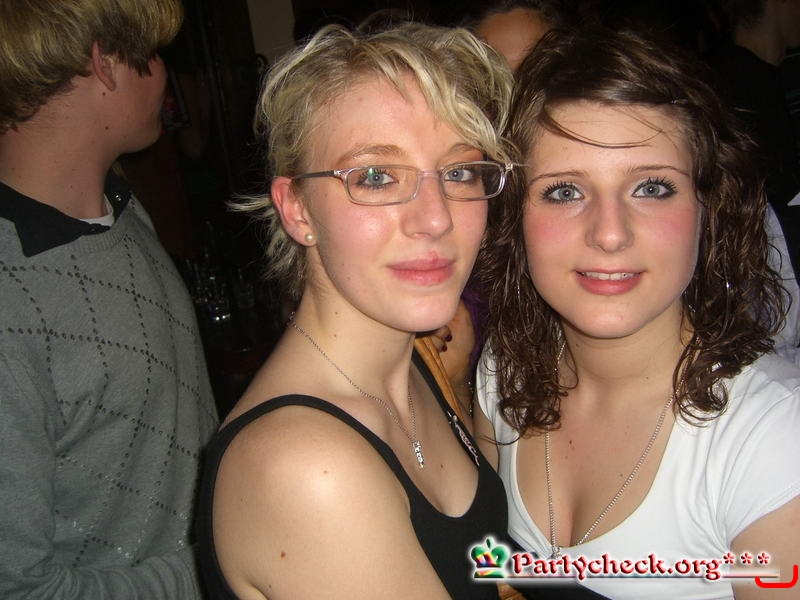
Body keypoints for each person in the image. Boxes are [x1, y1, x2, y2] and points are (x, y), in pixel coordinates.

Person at [195, 22, 517, 600]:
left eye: (459, 172)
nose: (436, 218)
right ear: (297, 209)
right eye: (375, 177)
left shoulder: (415, 365)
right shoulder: (307, 469)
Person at [476, 26, 800, 599]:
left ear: (708, 206)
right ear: (514, 215)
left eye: (651, 188)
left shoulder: (772, 442)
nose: (609, 233)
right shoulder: (505, 370)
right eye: (564, 191)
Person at [0, 1, 219, 598]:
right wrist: (224, 564)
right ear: (103, 63)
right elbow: (19, 589)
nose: (164, 73)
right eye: (153, 53)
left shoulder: (120, 209)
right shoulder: (10, 308)